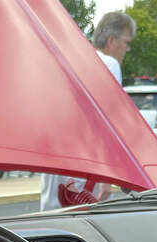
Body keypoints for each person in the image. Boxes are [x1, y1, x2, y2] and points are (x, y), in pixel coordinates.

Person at [40, 11, 134, 211]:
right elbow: (108, 118)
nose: (127, 49)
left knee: (51, 213)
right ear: (111, 40)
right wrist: (107, 174)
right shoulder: (109, 64)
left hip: (55, 153)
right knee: (80, 217)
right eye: (126, 42)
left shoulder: (76, 58)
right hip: (81, 156)